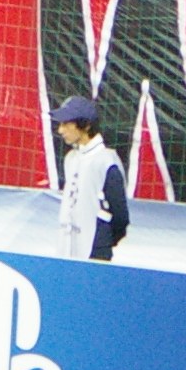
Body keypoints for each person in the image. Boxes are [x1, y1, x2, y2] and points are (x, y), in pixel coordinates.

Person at [54, 95, 129, 260]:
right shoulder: (71, 158)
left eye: (66, 124)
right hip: (67, 247)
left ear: (86, 125)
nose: (60, 130)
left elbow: (121, 216)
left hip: (95, 251)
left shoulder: (107, 161)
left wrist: (103, 241)